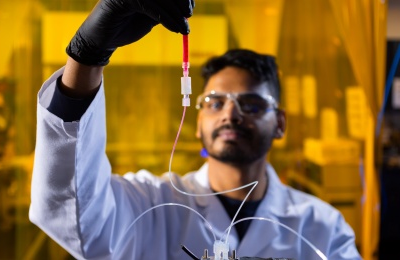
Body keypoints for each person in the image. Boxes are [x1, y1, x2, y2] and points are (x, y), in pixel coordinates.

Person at [29, 0, 362, 259]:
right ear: (197, 121)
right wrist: (87, 55)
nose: (230, 114)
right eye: (215, 102)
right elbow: (71, 212)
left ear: (280, 123)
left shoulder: (322, 227)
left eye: (252, 104)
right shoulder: (153, 207)